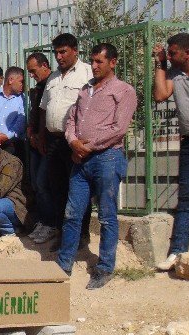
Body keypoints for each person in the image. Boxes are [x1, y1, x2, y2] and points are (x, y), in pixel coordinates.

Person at [57, 43, 137, 289]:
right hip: (81, 160)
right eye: (92, 61)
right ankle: (63, 264)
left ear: (112, 62)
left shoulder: (123, 91)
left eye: (100, 62)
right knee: (72, 213)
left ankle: (104, 267)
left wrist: (88, 146)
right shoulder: (85, 90)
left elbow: (119, 129)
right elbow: (70, 120)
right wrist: (73, 142)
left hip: (107, 159)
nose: (94, 66)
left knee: (106, 216)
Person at [40, 33, 94, 251]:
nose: (59, 57)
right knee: (57, 188)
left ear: (75, 51)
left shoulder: (88, 73)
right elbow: (44, 108)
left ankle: (82, 234)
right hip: (54, 141)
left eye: (63, 52)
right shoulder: (53, 78)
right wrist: (42, 135)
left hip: (75, 141)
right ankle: (65, 234)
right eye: (56, 53)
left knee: (79, 189)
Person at [153, 33, 189, 271]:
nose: (169, 56)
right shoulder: (175, 75)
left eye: (172, 53)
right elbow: (159, 94)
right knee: (187, 199)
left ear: (187, 53)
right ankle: (178, 252)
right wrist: (160, 64)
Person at [25, 52, 57, 244]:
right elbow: (35, 114)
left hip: (48, 143)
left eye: (33, 71)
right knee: (37, 184)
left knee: (44, 183)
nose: (31, 75)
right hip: (36, 143)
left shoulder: (54, 84)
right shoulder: (38, 88)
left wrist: (42, 137)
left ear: (45, 65)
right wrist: (32, 133)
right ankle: (44, 221)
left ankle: (51, 223)